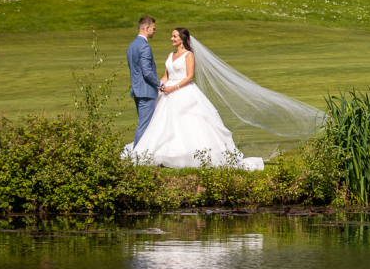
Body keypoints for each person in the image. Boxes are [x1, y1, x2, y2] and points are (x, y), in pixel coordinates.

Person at [124, 28, 326, 169]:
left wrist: (174, 87)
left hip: (183, 91)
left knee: (189, 122)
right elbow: (166, 76)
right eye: (172, 36)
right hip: (169, 93)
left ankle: (192, 156)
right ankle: (162, 154)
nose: (171, 38)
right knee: (164, 125)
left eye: (174, 36)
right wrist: (160, 86)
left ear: (183, 39)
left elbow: (189, 77)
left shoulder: (189, 56)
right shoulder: (170, 55)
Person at [126, 16, 162, 146]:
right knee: (145, 125)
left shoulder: (131, 46)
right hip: (146, 91)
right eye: (153, 28)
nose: (155, 31)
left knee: (142, 122)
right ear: (147, 28)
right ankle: (137, 154)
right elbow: (147, 72)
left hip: (137, 89)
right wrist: (160, 84)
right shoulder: (145, 47)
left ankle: (140, 153)